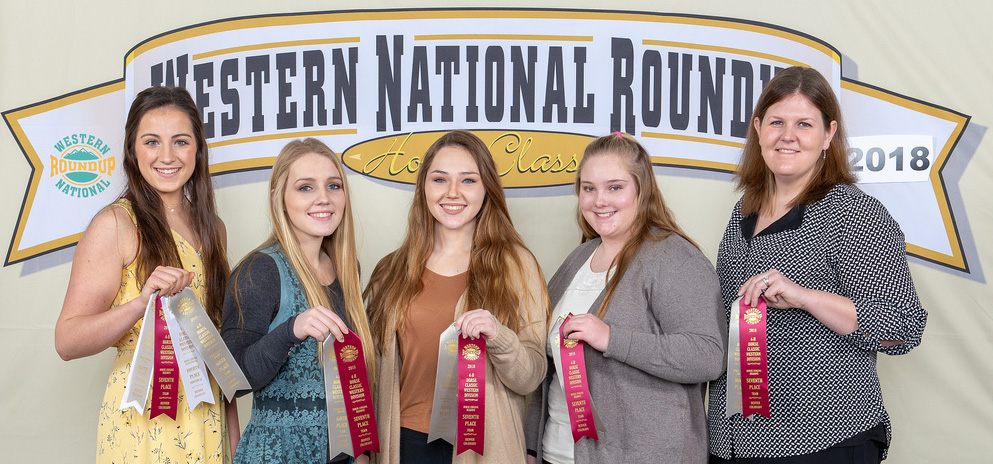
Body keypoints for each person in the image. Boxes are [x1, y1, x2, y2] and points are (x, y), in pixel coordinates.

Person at [706, 66, 928, 463]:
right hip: (735, 440)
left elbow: (903, 326)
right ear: (758, 129)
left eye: (804, 124)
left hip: (821, 440)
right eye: (776, 122)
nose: (787, 136)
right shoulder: (743, 211)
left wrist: (805, 297)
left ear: (828, 135)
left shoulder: (854, 213)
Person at [54, 86, 237, 463]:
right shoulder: (116, 225)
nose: (167, 156)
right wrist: (140, 304)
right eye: (152, 141)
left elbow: (217, 346)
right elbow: (67, 341)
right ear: (132, 150)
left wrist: (234, 441)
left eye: (181, 141)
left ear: (198, 150)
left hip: (207, 418)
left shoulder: (213, 228)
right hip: (144, 424)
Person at [524, 133, 727, 463]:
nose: (599, 200)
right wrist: (532, 445)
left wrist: (611, 338)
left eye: (614, 187)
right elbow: (549, 362)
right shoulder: (576, 261)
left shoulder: (674, 258)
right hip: (558, 453)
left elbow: (708, 355)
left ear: (641, 190)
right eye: (588, 188)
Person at [364, 130, 549, 464]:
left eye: (468, 180)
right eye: (440, 179)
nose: (452, 193)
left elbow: (532, 376)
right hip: (404, 445)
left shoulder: (517, 266)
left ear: (486, 189)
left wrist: (499, 337)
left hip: (484, 449)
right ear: (423, 188)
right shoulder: (390, 270)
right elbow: (371, 373)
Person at [221, 138, 374, 464]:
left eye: (334, 185)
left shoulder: (347, 269)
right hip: (279, 456)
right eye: (306, 187)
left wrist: (361, 453)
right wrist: (290, 330)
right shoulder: (259, 271)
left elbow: (349, 376)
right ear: (279, 198)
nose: (324, 198)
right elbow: (233, 380)